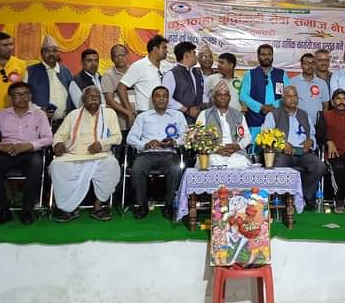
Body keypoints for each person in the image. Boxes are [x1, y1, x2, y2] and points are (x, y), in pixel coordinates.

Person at [0, 82, 53, 225]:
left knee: (37, 164)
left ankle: (27, 210)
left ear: (30, 96)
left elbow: (49, 138)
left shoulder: (39, 115)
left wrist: (29, 145)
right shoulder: (1, 115)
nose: (22, 97)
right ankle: (3, 210)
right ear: (11, 98)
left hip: (29, 153)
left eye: (25, 94)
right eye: (17, 95)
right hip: (7, 153)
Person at [50, 86, 121, 222]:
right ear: (83, 99)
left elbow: (117, 137)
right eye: (90, 96)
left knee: (111, 164)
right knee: (57, 165)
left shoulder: (109, 113)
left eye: (97, 96)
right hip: (73, 155)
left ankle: (98, 207)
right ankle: (69, 209)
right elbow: (60, 135)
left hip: (100, 155)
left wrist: (102, 143)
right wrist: (58, 143)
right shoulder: (73, 115)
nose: (94, 98)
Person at [127, 86, 188, 219]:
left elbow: (187, 137)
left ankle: (169, 204)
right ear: (152, 99)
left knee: (175, 168)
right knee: (137, 168)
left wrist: (174, 142)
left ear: (168, 99)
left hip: (168, 154)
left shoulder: (178, 116)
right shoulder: (143, 117)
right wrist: (145, 144)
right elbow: (130, 138)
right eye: (157, 96)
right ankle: (142, 206)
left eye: (164, 96)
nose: (161, 99)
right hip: (146, 154)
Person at [261, 86, 325, 205]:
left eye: (295, 96)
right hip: (283, 153)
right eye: (289, 96)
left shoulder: (304, 114)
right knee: (278, 166)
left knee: (319, 166)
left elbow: (312, 134)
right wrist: (282, 144)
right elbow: (265, 136)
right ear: (283, 99)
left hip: (302, 152)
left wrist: (310, 141)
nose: (293, 99)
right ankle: (282, 200)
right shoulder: (274, 114)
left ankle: (304, 195)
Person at [195, 81, 252, 169]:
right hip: (212, 154)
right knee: (210, 162)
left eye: (226, 95)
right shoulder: (205, 114)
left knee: (242, 162)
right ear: (214, 97)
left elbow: (247, 137)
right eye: (219, 95)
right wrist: (215, 149)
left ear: (230, 97)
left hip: (235, 154)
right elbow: (197, 137)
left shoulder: (239, 115)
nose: (223, 97)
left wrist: (238, 146)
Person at [241, 44, 291, 140]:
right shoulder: (250, 74)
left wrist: (273, 106)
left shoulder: (281, 74)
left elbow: (288, 94)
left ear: (272, 56)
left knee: (278, 145)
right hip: (256, 117)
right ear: (258, 56)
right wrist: (260, 107)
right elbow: (243, 96)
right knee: (256, 145)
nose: (266, 57)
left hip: (278, 117)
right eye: (263, 54)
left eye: (269, 54)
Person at [27, 35, 74, 132]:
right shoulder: (31, 71)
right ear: (41, 53)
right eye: (47, 51)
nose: (51, 54)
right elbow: (24, 98)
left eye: (54, 51)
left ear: (58, 53)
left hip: (63, 125)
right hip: (38, 124)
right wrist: (39, 110)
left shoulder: (66, 71)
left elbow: (72, 96)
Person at [117, 34, 171, 114]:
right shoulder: (138, 66)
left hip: (165, 111)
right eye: (164, 48)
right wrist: (129, 111)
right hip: (145, 112)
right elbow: (121, 87)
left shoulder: (168, 66)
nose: (167, 51)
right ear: (155, 49)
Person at [161, 41, 205, 123]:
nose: (196, 56)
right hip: (178, 119)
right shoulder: (172, 74)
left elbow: (202, 93)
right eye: (194, 53)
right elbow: (166, 98)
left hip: (198, 118)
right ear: (186, 55)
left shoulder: (197, 72)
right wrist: (186, 110)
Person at [102, 44, 136, 134]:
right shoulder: (108, 75)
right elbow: (109, 100)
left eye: (122, 55)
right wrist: (128, 113)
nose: (120, 58)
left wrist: (134, 113)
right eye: (116, 56)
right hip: (120, 120)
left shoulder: (135, 71)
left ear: (127, 55)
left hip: (138, 117)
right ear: (112, 59)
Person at [290, 53, 330, 125]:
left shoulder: (322, 83)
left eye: (313, 63)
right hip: (298, 123)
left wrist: (322, 121)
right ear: (301, 65)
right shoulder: (292, 82)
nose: (310, 66)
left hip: (317, 124)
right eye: (307, 63)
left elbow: (325, 105)